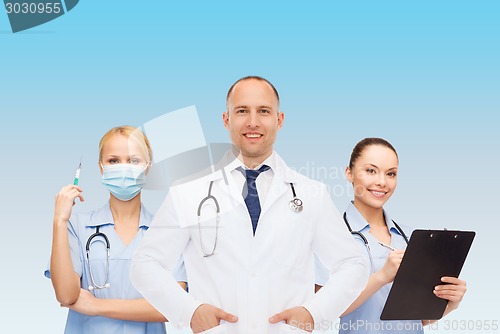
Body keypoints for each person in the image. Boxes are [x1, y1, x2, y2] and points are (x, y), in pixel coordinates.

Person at [130, 76, 369, 334]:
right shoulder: (189, 191)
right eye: (242, 111)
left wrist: (315, 313)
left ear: (279, 120)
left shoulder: (311, 194)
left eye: (263, 111)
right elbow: (145, 264)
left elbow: (353, 265)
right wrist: (188, 312)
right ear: (226, 119)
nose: (253, 122)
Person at [316, 137, 467, 333]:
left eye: (391, 174)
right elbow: (322, 311)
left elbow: (416, 319)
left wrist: (450, 303)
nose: (381, 182)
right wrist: (382, 276)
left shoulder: (412, 238)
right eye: (371, 171)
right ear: (349, 173)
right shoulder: (331, 235)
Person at [44, 126, 187, 334]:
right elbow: (66, 296)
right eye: (114, 161)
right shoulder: (77, 227)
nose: (124, 168)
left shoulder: (167, 231)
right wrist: (59, 220)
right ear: (101, 167)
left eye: (133, 160)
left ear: (147, 167)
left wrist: (95, 305)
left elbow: (173, 306)